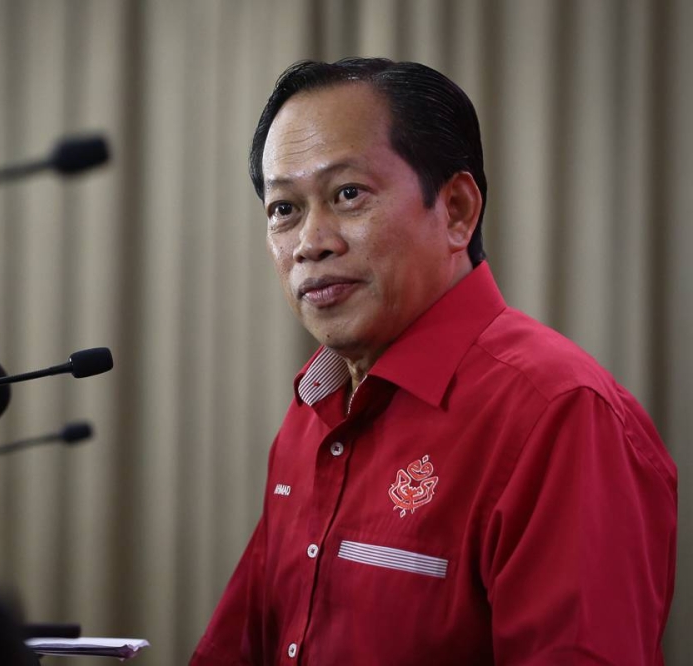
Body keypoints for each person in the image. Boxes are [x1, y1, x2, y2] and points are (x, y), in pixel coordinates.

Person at [190, 57, 677, 665]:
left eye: (347, 194)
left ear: (456, 210)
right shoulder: (315, 407)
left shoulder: (561, 414)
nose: (310, 242)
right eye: (284, 209)